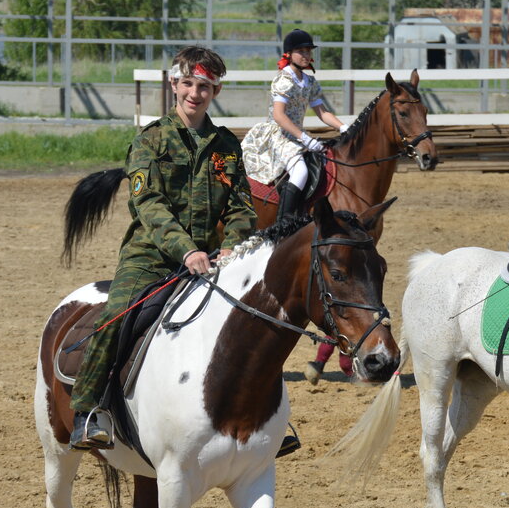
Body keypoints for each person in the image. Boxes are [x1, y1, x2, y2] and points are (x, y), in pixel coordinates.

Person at [69, 46, 256, 450]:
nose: (195, 93)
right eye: (188, 83)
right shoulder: (149, 141)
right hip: (150, 258)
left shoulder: (227, 146)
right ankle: (88, 410)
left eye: (204, 86)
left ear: (216, 91)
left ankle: (260, 416)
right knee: (115, 316)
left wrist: (233, 247)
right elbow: (149, 206)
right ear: (174, 85)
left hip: (210, 262)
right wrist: (187, 250)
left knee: (255, 319)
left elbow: (242, 208)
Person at [241, 29, 347, 220]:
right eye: (302, 52)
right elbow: (279, 116)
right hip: (279, 134)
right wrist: (305, 138)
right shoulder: (284, 79)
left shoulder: (309, 81)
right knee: (300, 172)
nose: (307, 55)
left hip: (296, 135)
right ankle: (285, 221)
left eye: (309, 51)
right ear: (289, 54)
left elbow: (322, 112)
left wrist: (343, 127)